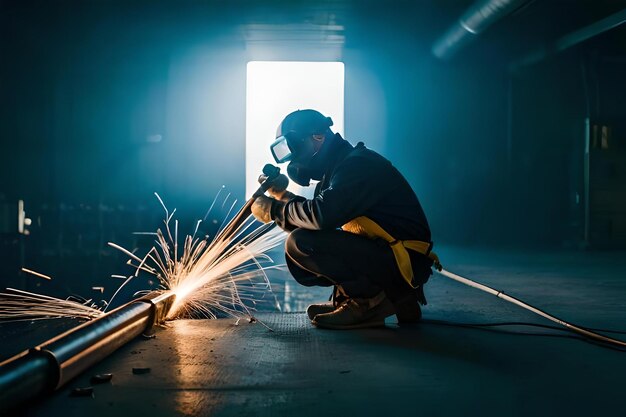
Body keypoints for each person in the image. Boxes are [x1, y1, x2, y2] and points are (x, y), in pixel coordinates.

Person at [251, 109, 439, 329]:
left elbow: (321, 216)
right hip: (390, 255)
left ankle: (369, 302)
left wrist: (275, 210)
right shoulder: (339, 168)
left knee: (301, 243)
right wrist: (281, 196)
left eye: (297, 151)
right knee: (303, 241)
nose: (295, 163)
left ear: (318, 137)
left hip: (404, 260)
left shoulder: (357, 165)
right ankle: (387, 298)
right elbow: (318, 213)